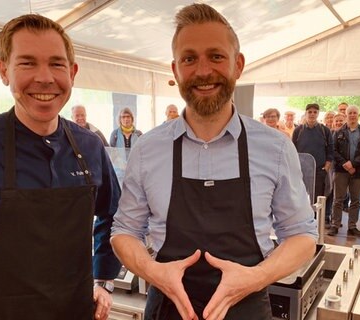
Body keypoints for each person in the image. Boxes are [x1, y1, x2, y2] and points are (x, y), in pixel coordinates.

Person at [110, 4, 318, 320]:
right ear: (175, 69)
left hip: (246, 309)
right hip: (167, 309)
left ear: (238, 64)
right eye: (189, 59)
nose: (203, 71)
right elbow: (124, 230)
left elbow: (302, 235)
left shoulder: (275, 148)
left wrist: (257, 276)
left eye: (216, 56)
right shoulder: (148, 148)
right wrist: (153, 272)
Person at [0, 14, 120, 320]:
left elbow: (112, 215)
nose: (45, 77)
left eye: (56, 63)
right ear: (3, 70)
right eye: (27, 63)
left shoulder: (89, 146)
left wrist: (103, 279)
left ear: (73, 72)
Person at [328, 105, 360, 238]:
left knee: (355, 200)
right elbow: (333, 150)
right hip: (341, 171)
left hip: (358, 171)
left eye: (355, 113)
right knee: (338, 199)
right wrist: (345, 164)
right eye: (350, 113)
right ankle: (335, 225)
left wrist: (353, 164)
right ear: (346, 115)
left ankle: (352, 226)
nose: (352, 115)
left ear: (359, 115)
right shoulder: (338, 133)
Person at [292, 103, 333, 215]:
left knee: (317, 199)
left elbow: (330, 150)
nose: (312, 114)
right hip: (302, 170)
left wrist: (326, 167)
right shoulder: (298, 131)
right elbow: (293, 150)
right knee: (301, 197)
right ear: (306, 113)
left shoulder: (325, 131)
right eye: (310, 112)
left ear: (318, 114)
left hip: (319, 170)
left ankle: (315, 223)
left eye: (315, 112)